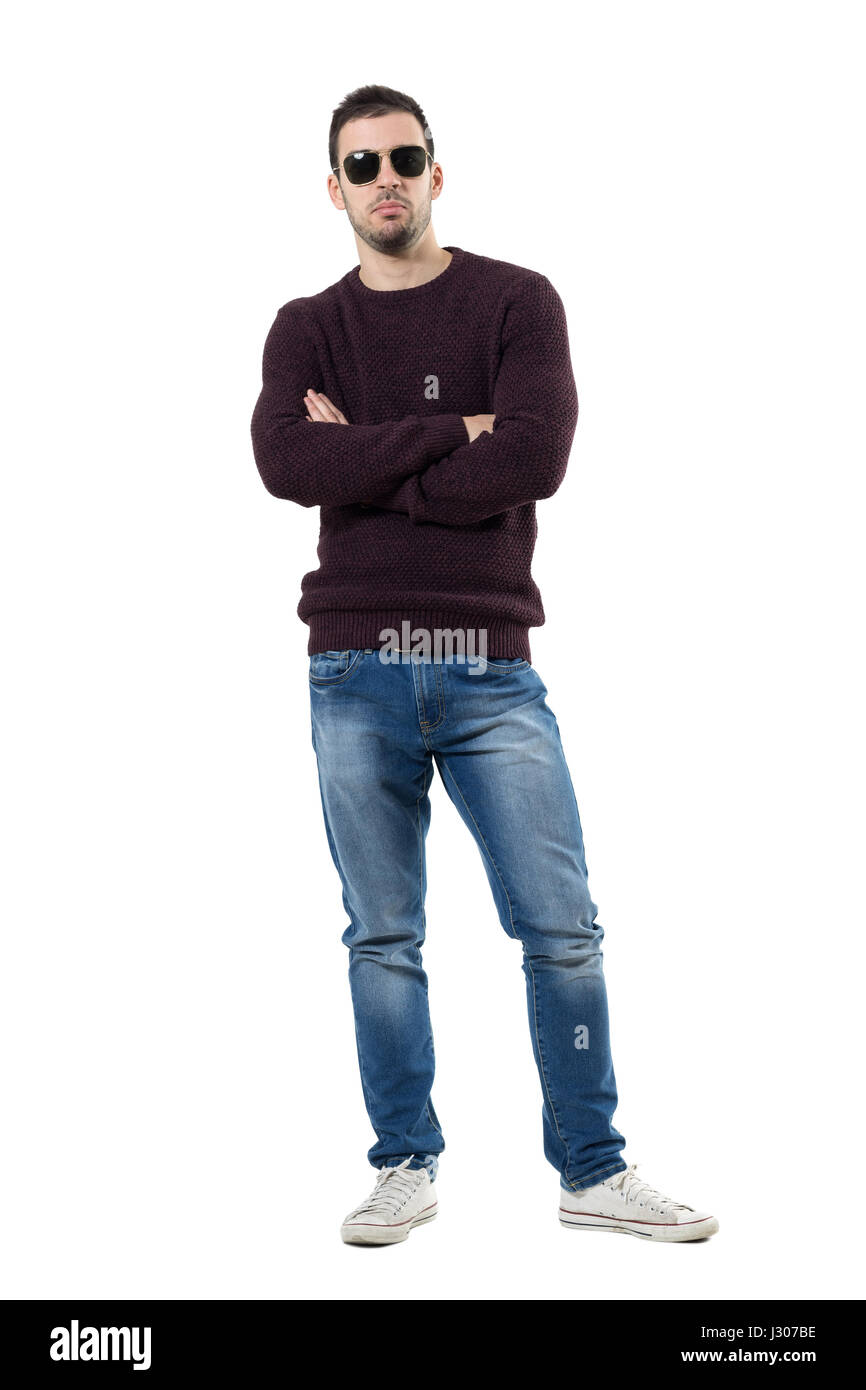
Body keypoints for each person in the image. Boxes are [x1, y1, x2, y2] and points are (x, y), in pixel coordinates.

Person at [250, 83, 718, 1246]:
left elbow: (536, 455)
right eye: (361, 165)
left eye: (404, 156)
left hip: (484, 658)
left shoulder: (515, 301)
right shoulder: (307, 324)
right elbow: (279, 459)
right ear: (334, 188)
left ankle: (592, 1170)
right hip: (353, 663)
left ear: (436, 171)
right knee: (381, 935)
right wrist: (450, 434)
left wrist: (359, 456)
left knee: (559, 927)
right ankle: (404, 1163)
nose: (385, 178)